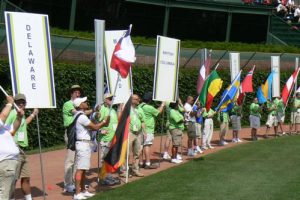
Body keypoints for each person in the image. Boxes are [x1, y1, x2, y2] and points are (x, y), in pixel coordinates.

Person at [72, 97, 110, 200]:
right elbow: (95, 127)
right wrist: (104, 122)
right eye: (84, 102)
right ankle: (77, 193)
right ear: (80, 105)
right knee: (80, 169)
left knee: (83, 169)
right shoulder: (82, 117)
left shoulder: (80, 115)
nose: (86, 102)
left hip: (84, 144)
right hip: (83, 144)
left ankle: (83, 191)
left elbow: (91, 127)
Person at [5, 94, 38, 200]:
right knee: (13, 179)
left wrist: (33, 114)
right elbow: (4, 128)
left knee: (26, 177)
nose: (21, 104)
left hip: (22, 150)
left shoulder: (21, 114)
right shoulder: (12, 113)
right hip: (14, 150)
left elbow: (23, 124)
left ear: (25, 104)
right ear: (14, 103)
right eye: (18, 102)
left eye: (23, 102)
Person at [0, 96, 24, 199]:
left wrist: (19, 117)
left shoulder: (4, 128)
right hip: (5, 163)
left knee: (9, 193)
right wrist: (9, 103)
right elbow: (3, 116)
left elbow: (14, 128)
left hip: (10, 163)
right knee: (4, 195)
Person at [96, 93, 121, 182]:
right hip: (105, 139)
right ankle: (103, 177)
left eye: (112, 98)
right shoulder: (102, 109)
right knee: (104, 159)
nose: (112, 100)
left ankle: (108, 175)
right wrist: (100, 130)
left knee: (110, 158)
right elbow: (95, 121)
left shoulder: (112, 110)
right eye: (110, 98)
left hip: (112, 138)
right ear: (105, 99)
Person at [62, 85, 83, 193]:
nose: (77, 94)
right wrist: (92, 110)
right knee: (70, 160)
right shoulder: (68, 104)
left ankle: (75, 182)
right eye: (75, 92)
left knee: (77, 160)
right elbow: (77, 114)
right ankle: (67, 184)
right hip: (70, 133)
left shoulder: (80, 106)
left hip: (78, 133)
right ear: (71, 93)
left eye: (79, 93)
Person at [139, 92, 164, 169]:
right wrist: (162, 104)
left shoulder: (139, 106)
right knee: (147, 146)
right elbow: (158, 112)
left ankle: (140, 163)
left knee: (140, 146)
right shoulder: (149, 107)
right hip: (148, 129)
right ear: (150, 100)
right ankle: (147, 163)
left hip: (140, 129)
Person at [128, 94, 146, 177]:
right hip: (129, 132)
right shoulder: (127, 109)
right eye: (136, 99)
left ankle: (135, 169)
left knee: (137, 153)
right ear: (131, 100)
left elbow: (142, 121)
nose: (138, 100)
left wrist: (144, 132)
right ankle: (124, 171)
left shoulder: (140, 109)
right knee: (126, 153)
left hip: (138, 133)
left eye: (138, 99)